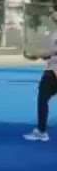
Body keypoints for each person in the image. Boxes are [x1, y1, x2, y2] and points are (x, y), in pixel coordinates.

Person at [22, 8, 57, 142]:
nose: (53, 14)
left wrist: (37, 54)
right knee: (43, 99)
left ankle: (41, 131)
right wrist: (36, 56)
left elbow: (52, 52)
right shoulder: (54, 33)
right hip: (52, 69)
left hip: (53, 72)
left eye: (55, 11)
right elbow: (51, 53)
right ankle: (41, 130)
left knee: (42, 99)